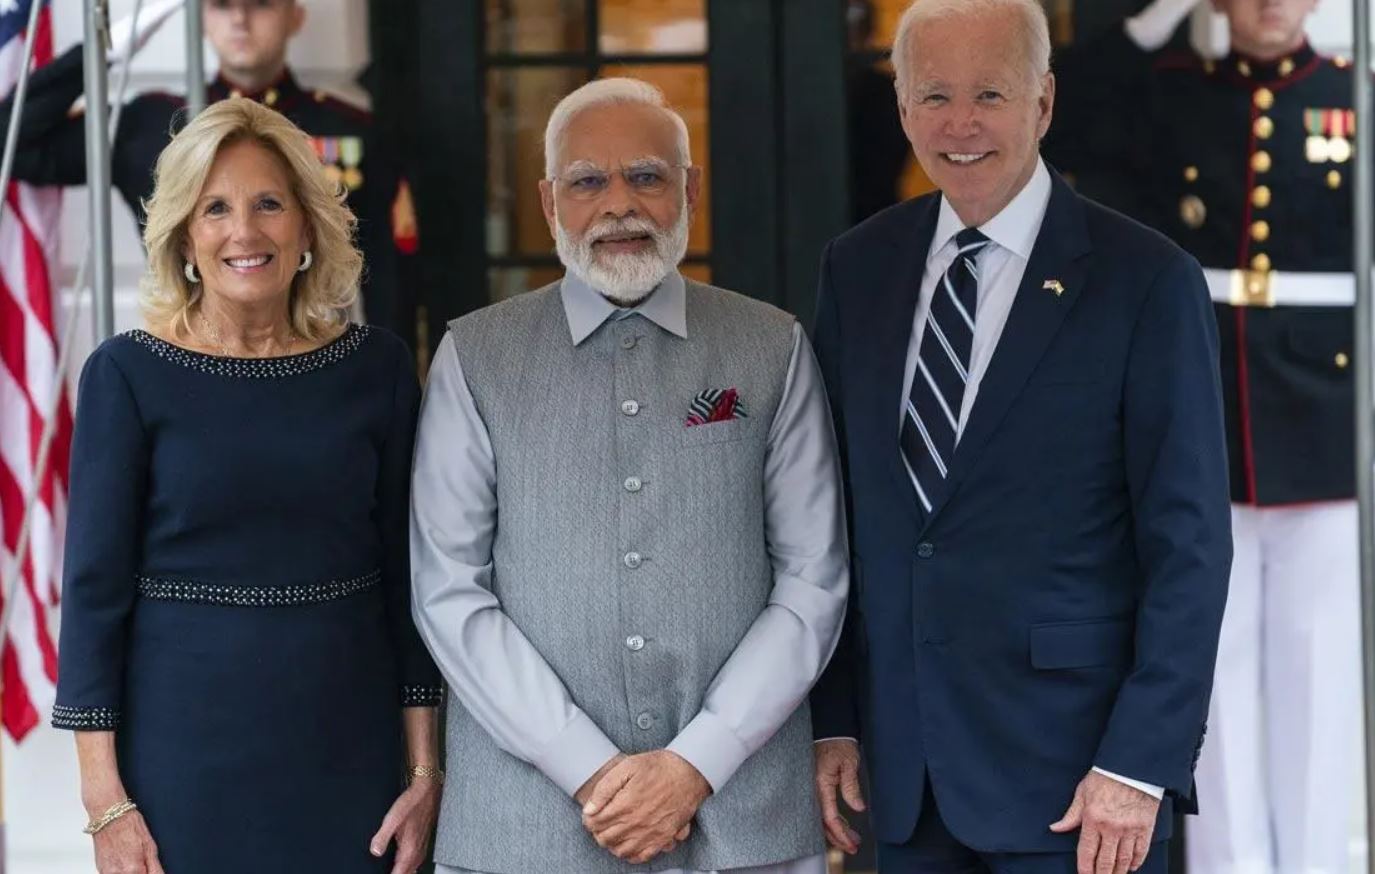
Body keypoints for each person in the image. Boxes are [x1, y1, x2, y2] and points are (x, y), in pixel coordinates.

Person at [808, 1, 1233, 872]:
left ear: (1042, 103)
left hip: (1080, 787)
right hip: (904, 776)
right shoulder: (857, 268)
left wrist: (1138, 763)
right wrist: (834, 719)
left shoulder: (1147, 280)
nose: (959, 124)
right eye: (934, 96)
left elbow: (1188, 543)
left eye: (989, 95)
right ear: (901, 107)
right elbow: (835, 517)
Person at [409, 76, 849, 874]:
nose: (619, 205)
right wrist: (588, 769)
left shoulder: (772, 345)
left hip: (741, 816)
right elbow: (448, 590)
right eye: (587, 182)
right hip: (524, 829)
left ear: (690, 190)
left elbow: (813, 579)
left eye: (646, 176)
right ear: (548, 203)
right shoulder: (473, 356)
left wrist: (695, 764)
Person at [52, 98, 442, 874]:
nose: (244, 231)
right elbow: (93, 597)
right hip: (182, 759)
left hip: (350, 749)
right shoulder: (126, 374)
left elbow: (411, 582)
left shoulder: (379, 368)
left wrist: (426, 771)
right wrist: (104, 802)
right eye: (216, 209)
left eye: (269, 203)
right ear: (184, 237)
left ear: (307, 226)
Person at [1044, 1, 1361, 871]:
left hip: (1324, 421)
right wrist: (1163, 13)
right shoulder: (1166, 89)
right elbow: (1066, 110)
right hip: (1203, 408)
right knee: (1207, 664)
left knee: (1317, 666)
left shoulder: (1352, 97)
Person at [0, 0, 418, 347]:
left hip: (311, 351)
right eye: (221, 4)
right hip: (183, 351)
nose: (240, 19)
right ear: (201, 18)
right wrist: (103, 50)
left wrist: (387, 381)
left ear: (295, 16)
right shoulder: (151, 124)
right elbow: (12, 142)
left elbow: (388, 280)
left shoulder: (349, 129)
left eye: (261, 4)